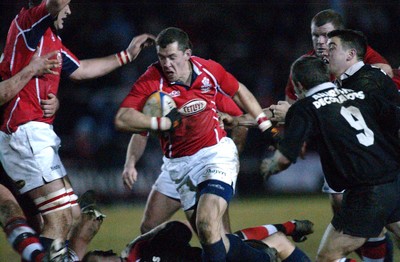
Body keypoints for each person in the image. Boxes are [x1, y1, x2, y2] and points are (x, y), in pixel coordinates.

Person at [0, 0, 155, 258]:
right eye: (67, 6)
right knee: (59, 217)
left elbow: (81, 69)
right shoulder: (29, 24)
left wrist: (126, 55)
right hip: (24, 134)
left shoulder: (51, 40)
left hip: (39, 134)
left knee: (71, 216)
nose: (69, 11)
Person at [115, 27, 277, 261]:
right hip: (177, 165)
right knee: (156, 227)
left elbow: (240, 119)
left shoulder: (210, 75)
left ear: (187, 54)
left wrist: (234, 158)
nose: (167, 64)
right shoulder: (153, 83)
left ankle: (272, 243)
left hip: (212, 156)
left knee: (210, 224)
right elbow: (130, 123)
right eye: (161, 58)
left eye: (172, 57)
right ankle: (264, 256)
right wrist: (132, 160)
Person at [269, 9, 397, 260]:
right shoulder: (307, 66)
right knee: (348, 204)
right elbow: (291, 102)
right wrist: (293, 132)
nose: (320, 42)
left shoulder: (358, 57)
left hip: (378, 142)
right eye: (315, 35)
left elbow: (383, 75)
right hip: (357, 143)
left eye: (326, 36)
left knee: (356, 214)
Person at [121, 93, 248, 235]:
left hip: (207, 162)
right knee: (149, 227)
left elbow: (241, 122)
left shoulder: (206, 87)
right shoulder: (157, 95)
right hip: (175, 165)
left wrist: (232, 157)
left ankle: (248, 255)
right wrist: (130, 164)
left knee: (214, 230)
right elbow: (141, 132)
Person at [81, 220, 313, 262]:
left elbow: (180, 228)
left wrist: (141, 239)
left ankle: (285, 228)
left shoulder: (142, 249)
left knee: (230, 241)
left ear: (109, 255)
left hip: (213, 257)